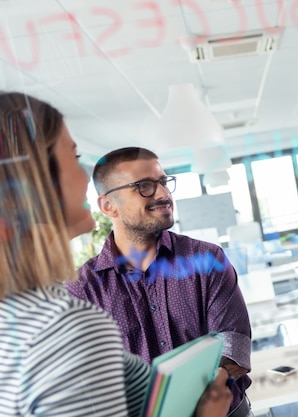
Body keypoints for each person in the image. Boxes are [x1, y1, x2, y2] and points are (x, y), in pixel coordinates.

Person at [0, 92, 233, 417]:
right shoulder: (69, 327)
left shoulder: (26, 316)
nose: (85, 176)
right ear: (36, 182)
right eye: (73, 156)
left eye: (163, 182)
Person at [65, 146, 254, 417]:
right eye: (144, 186)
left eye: (164, 183)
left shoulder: (206, 258)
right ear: (108, 206)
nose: (163, 194)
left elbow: (234, 347)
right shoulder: (83, 289)